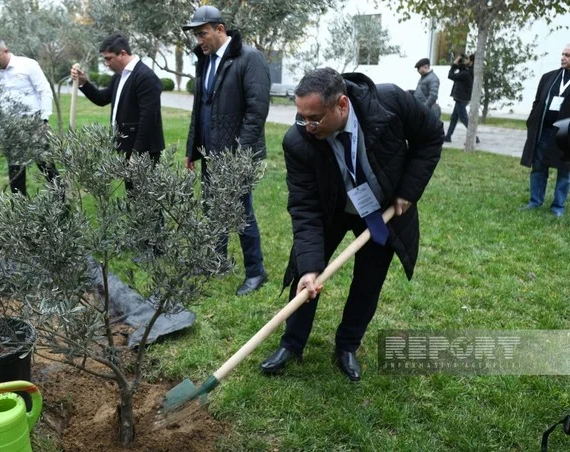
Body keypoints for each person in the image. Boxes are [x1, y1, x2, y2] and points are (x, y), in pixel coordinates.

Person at [260, 68, 442, 381]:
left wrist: (408, 192)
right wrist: (309, 268)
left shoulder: (390, 103)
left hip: (380, 208)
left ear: (342, 105)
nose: (307, 125)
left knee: (369, 279)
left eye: (314, 117)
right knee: (306, 274)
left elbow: (431, 136)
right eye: (301, 116)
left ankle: (347, 346)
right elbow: (305, 207)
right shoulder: (298, 141)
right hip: (332, 209)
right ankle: (292, 343)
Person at [181, 5, 271, 296]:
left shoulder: (250, 58)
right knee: (212, 207)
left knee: (240, 212)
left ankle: (256, 272)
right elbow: (200, 107)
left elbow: (257, 111)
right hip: (210, 152)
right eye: (196, 35)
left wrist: (239, 155)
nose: (199, 40)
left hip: (236, 156)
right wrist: (192, 149)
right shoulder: (204, 60)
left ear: (221, 29)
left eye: (203, 33)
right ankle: (215, 262)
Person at [70, 33, 165, 179]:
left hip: (144, 152)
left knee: (143, 199)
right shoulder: (120, 75)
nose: (106, 64)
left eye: (109, 58)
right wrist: (84, 82)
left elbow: (148, 120)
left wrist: (136, 154)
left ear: (122, 54)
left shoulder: (145, 77)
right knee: (132, 197)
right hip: (126, 149)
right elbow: (102, 99)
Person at [0, 36, 58, 196]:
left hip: (34, 124)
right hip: (10, 127)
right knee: (15, 170)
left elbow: (44, 91)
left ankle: (61, 202)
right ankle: (20, 209)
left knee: (46, 165)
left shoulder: (28, 65)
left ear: (6, 51)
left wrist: (44, 120)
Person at [521, 44, 570, 217]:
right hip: (545, 130)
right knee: (539, 166)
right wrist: (532, 120)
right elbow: (537, 101)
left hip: (566, 134)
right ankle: (535, 201)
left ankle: (558, 207)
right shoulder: (549, 77)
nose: (563, 57)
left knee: (564, 171)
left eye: (568, 55)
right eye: (563, 54)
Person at [444, 53, 479, 143]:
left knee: (464, 118)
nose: (465, 61)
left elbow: (451, 75)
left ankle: (474, 137)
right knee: (454, 117)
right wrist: (457, 62)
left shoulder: (466, 74)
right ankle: (448, 136)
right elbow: (460, 67)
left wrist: (455, 64)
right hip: (462, 98)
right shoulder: (471, 71)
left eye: (467, 60)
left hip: (461, 98)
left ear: (472, 62)